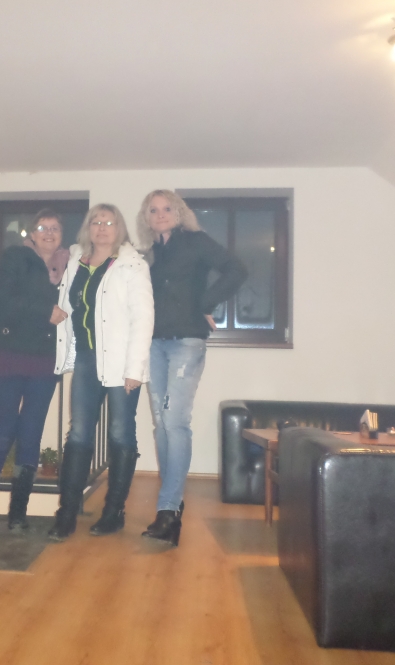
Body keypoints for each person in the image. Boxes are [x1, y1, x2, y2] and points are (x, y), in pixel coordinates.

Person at [136, 190, 247, 546]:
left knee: (175, 421)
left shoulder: (197, 242)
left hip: (186, 341)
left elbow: (237, 270)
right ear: (146, 218)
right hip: (153, 343)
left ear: (180, 212)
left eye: (167, 208)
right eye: (153, 210)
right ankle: (172, 507)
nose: (161, 214)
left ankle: (167, 508)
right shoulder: (147, 255)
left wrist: (206, 302)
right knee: (161, 423)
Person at [47, 204, 154, 541]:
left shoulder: (132, 265)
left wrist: (135, 369)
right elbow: (69, 305)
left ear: (119, 228)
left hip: (122, 363)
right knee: (79, 434)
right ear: (88, 227)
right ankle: (66, 513)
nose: (102, 227)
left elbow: (143, 319)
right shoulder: (76, 261)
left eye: (109, 222)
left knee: (121, 434)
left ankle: (113, 512)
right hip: (86, 359)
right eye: (96, 222)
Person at [0, 208, 69, 535]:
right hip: (9, 355)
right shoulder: (15, 257)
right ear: (31, 234)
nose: (49, 233)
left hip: (45, 359)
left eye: (55, 228)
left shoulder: (68, 267)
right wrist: (44, 311)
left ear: (61, 236)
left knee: (31, 433)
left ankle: (18, 515)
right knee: (2, 431)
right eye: (43, 227)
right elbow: (0, 298)